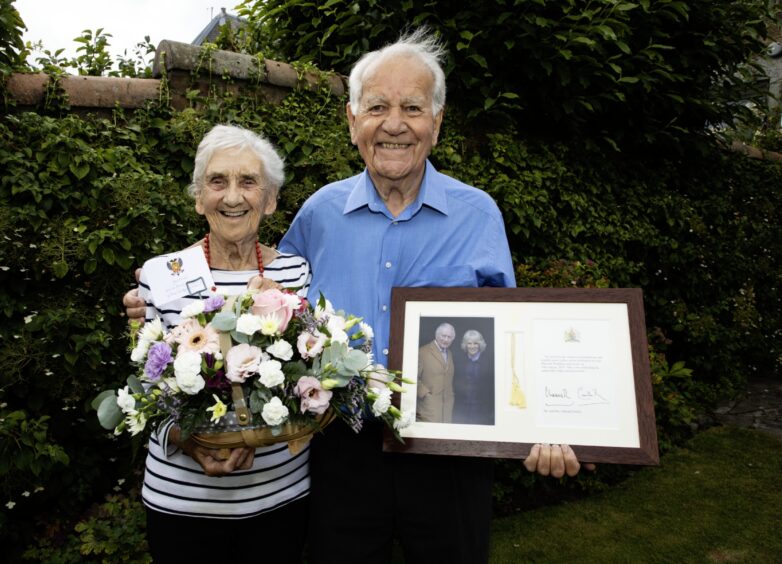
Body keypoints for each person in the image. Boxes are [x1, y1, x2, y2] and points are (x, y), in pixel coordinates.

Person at [125, 28, 590, 563]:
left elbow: (516, 345)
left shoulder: (479, 214)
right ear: (352, 122)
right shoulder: (320, 213)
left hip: (450, 456)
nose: (394, 123)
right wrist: (158, 299)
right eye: (376, 107)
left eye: (412, 107)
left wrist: (547, 426)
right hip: (340, 453)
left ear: (436, 124)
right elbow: (263, 289)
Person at [136, 124, 311, 563]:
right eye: (218, 181)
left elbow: (310, 378)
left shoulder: (296, 274)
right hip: (183, 504)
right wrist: (189, 440)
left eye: (248, 182)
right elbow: (144, 390)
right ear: (199, 197)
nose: (233, 197)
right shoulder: (161, 273)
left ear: (269, 200)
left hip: (279, 499)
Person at [416, 323, 456, 422]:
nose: (446, 340)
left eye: (449, 337)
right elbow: (412, 377)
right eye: (444, 336)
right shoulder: (422, 352)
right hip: (428, 407)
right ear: (437, 335)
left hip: (446, 407)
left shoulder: (449, 353)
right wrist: (425, 393)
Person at [454, 329, 495, 425]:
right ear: (465, 345)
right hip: (463, 408)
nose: (472, 346)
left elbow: (492, 389)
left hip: (482, 409)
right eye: (469, 343)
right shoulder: (459, 361)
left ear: (480, 344)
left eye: (475, 343)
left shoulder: (489, 362)